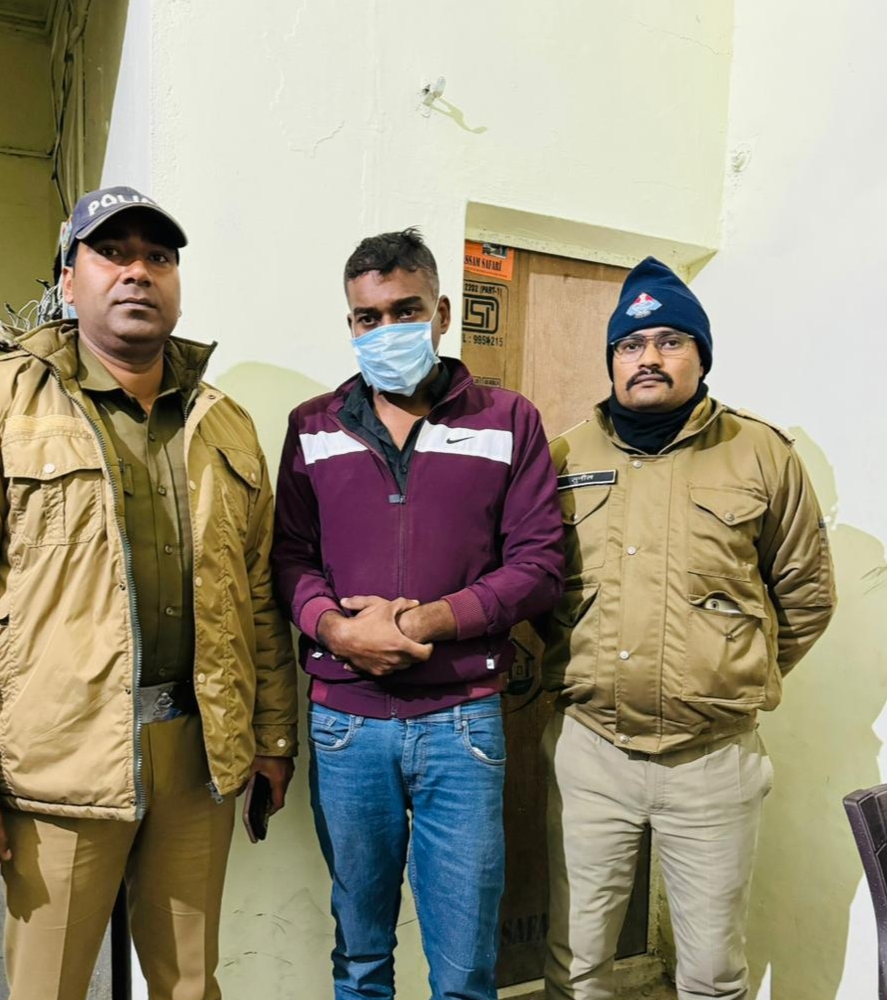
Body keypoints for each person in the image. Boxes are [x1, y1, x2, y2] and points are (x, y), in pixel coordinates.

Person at [0, 186, 298, 1000]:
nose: (138, 272)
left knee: (189, 985)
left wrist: (272, 736)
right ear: (70, 281)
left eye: (158, 258)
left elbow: (258, 597)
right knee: (51, 987)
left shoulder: (225, 423)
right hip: (59, 762)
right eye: (113, 254)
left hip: (198, 757)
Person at [271, 227, 563, 1000]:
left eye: (405, 311)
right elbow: (289, 557)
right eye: (368, 317)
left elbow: (539, 566)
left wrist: (425, 623)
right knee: (361, 955)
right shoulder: (313, 425)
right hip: (346, 724)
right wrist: (338, 630)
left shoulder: (508, 420)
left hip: (462, 723)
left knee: (465, 970)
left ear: (441, 312)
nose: (387, 330)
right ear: (350, 323)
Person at [540, 256, 836, 1000]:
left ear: (701, 356)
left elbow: (806, 596)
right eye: (630, 345)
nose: (648, 358)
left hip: (712, 758)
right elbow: (536, 591)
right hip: (591, 751)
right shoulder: (564, 456)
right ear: (612, 360)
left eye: (669, 341)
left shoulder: (760, 454)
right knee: (576, 967)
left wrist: (728, 672)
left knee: (711, 972)